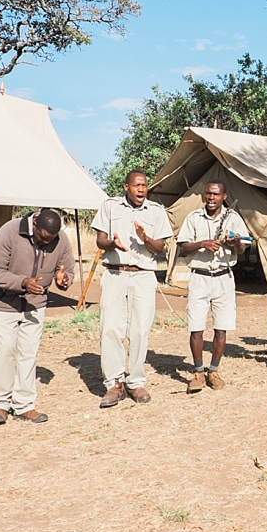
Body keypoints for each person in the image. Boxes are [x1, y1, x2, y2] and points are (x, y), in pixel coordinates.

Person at [0, 209, 74, 427]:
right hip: (4, 304)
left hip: (35, 306)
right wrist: (23, 282)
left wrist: (64, 279)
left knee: (28, 354)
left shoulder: (60, 239)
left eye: (50, 239)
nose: (46, 242)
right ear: (34, 224)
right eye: (43, 237)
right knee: (4, 350)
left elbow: (67, 269)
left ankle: (24, 405)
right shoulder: (10, 231)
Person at [92, 170, 173, 408]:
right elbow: (100, 240)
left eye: (144, 185)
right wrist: (112, 243)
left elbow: (159, 248)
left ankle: (136, 381)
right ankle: (114, 384)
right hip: (115, 273)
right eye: (136, 185)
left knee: (140, 330)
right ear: (126, 186)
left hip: (144, 276)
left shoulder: (156, 211)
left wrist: (145, 237)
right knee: (111, 329)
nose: (141, 189)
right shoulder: (110, 206)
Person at [176, 179, 249, 392]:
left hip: (224, 278)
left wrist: (234, 242)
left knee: (221, 327)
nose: (211, 198)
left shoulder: (233, 218)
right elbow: (183, 248)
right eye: (208, 194)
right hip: (199, 277)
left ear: (224, 197)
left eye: (216, 194)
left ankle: (214, 371)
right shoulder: (193, 218)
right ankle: (198, 372)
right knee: (196, 328)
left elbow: (243, 248)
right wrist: (203, 244)